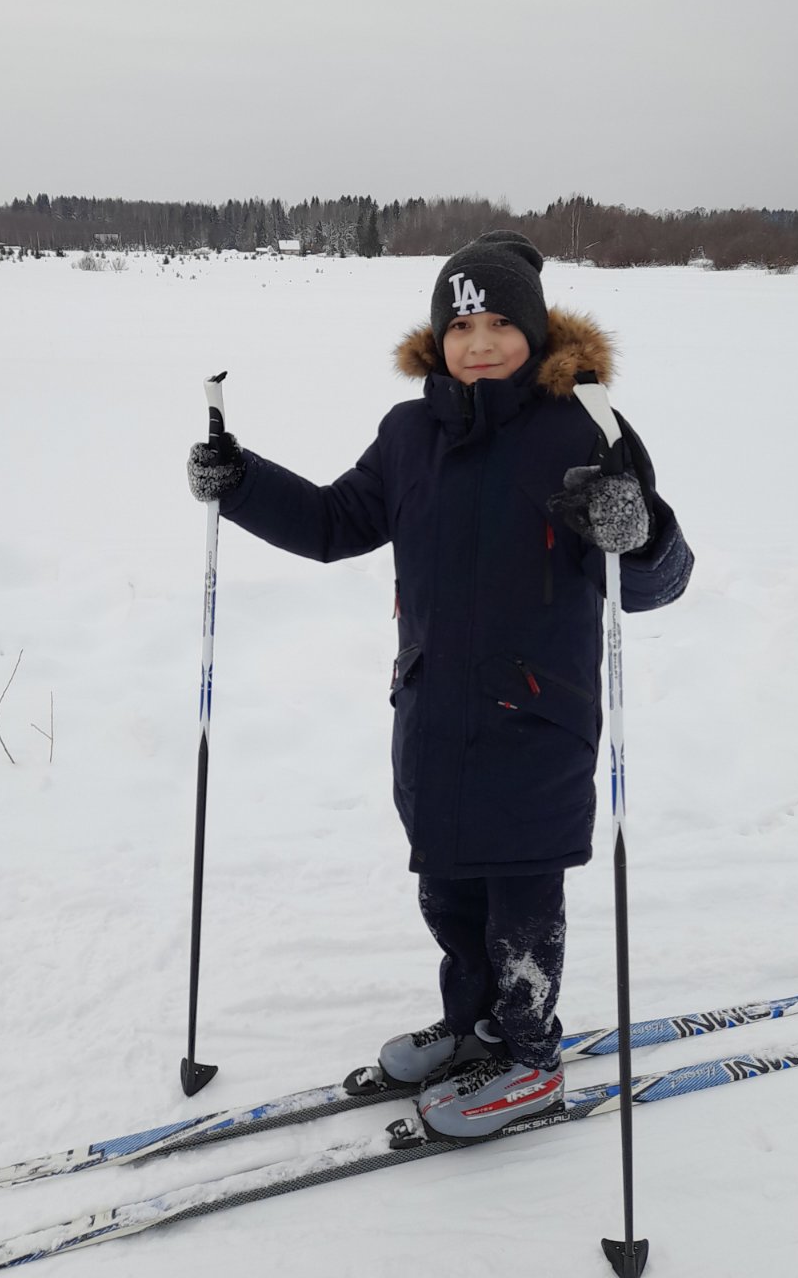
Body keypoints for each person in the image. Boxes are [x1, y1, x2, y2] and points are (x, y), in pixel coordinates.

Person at [187, 230, 693, 1142]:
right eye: (461, 326)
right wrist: (242, 482)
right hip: (430, 707)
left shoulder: (585, 429)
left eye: (500, 323)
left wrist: (640, 530)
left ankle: (529, 1055)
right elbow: (335, 522)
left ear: (535, 331)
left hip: (539, 715)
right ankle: (472, 1027)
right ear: (437, 338)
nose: (481, 342)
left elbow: (654, 581)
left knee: (520, 903)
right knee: (449, 892)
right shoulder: (408, 434)